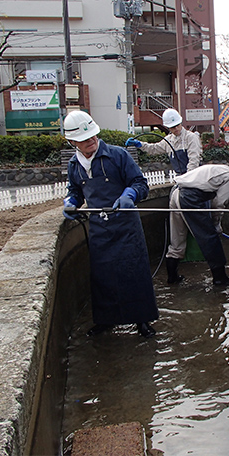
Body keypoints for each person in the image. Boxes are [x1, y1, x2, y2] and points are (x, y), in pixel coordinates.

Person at [62, 110, 158, 338]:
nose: (91, 142)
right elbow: (76, 191)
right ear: (73, 142)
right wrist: (71, 202)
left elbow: (140, 183)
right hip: (99, 228)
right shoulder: (74, 165)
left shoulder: (118, 156)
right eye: (85, 140)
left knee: (134, 272)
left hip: (126, 226)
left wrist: (130, 194)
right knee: (103, 276)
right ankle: (106, 320)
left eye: (93, 137)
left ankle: (142, 320)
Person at [165, 162, 229, 287]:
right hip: (189, 199)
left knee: (177, 238)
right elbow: (218, 205)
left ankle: (172, 277)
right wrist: (216, 225)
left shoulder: (220, 169)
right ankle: (220, 278)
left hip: (176, 193)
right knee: (210, 239)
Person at [125, 108, 202, 175]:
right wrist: (140, 144)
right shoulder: (169, 140)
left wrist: (188, 177)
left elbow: (194, 160)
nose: (176, 128)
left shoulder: (191, 137)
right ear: (168, 127)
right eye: (172, 127)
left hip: (194, 175)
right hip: (180, 176)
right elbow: (154, 149)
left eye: (177, 125)